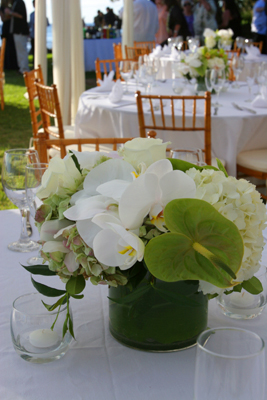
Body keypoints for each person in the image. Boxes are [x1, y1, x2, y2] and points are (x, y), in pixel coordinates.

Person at [5, 0, 29, 74]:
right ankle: (21, 68)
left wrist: (10, 12)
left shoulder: (19, 2)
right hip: (17, 32)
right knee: (20, 51)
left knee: (22, 51)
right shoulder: (16, 2)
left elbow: (21, 15)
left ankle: (24, 69)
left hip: (20, 31)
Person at [0, 0, 19, 70]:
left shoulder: (11, 6)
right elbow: (3, 19)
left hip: (12, 28)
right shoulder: (1, 8)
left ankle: (14, 65)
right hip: (6, 29)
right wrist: (10, 16)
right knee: (6, 47)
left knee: (13, 47)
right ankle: (7, 65)